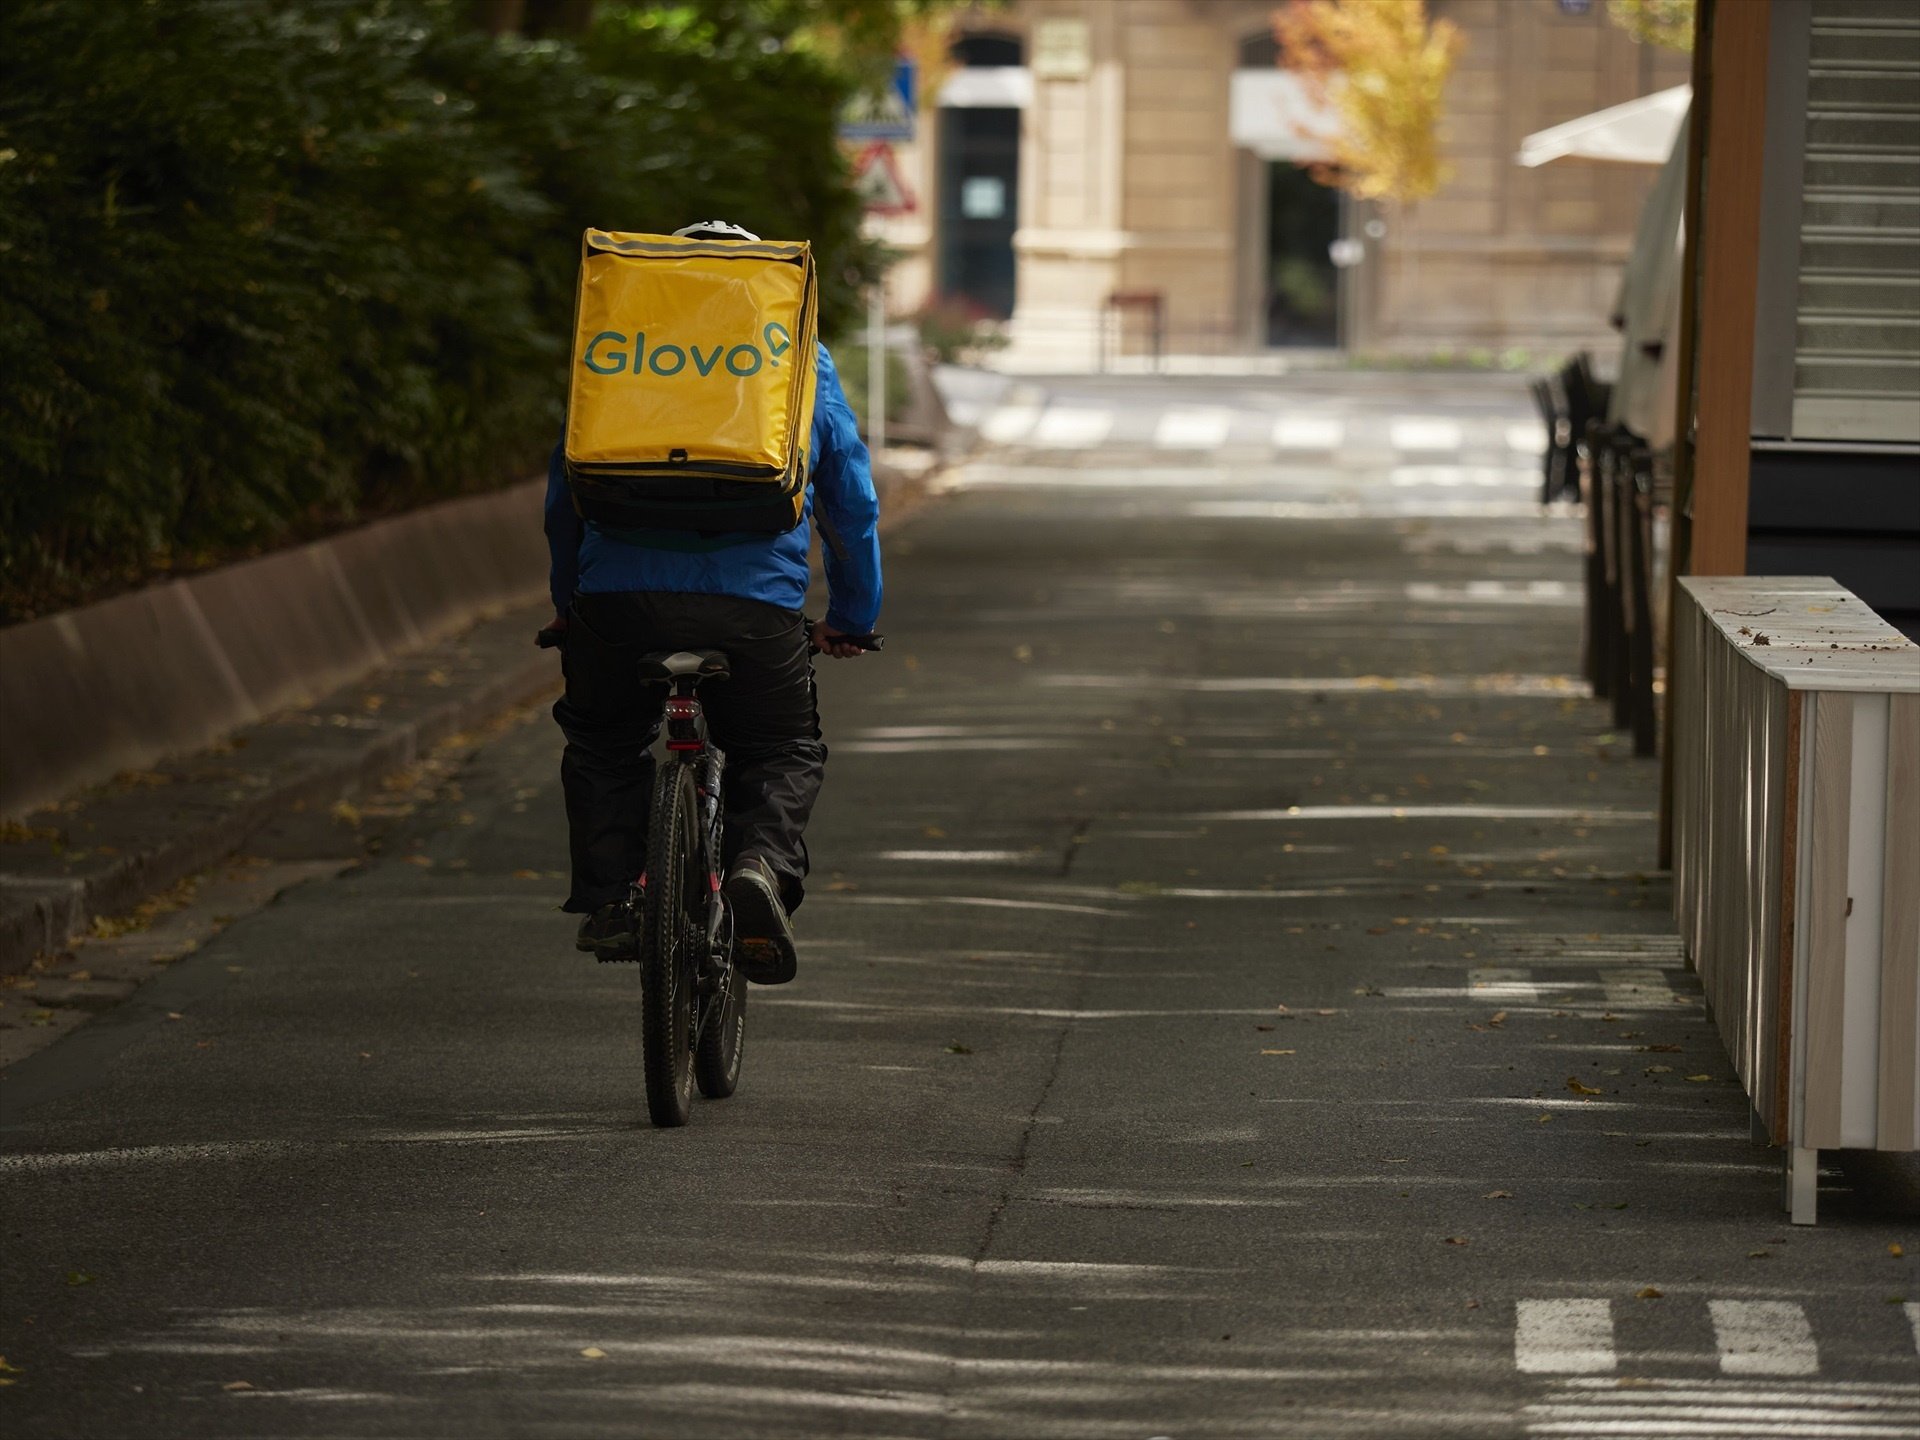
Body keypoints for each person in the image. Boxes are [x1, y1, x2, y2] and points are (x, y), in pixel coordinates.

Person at [541, 220, 882, 985]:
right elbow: (850, 502)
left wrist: (570, 603)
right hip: (754, 610)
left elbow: (564, 496)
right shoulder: (795, 357)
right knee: (780, 750)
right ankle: (759, 866)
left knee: (602, 743)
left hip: (616, 607)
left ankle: (611, 899)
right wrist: (852, 617)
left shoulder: (620, 355)